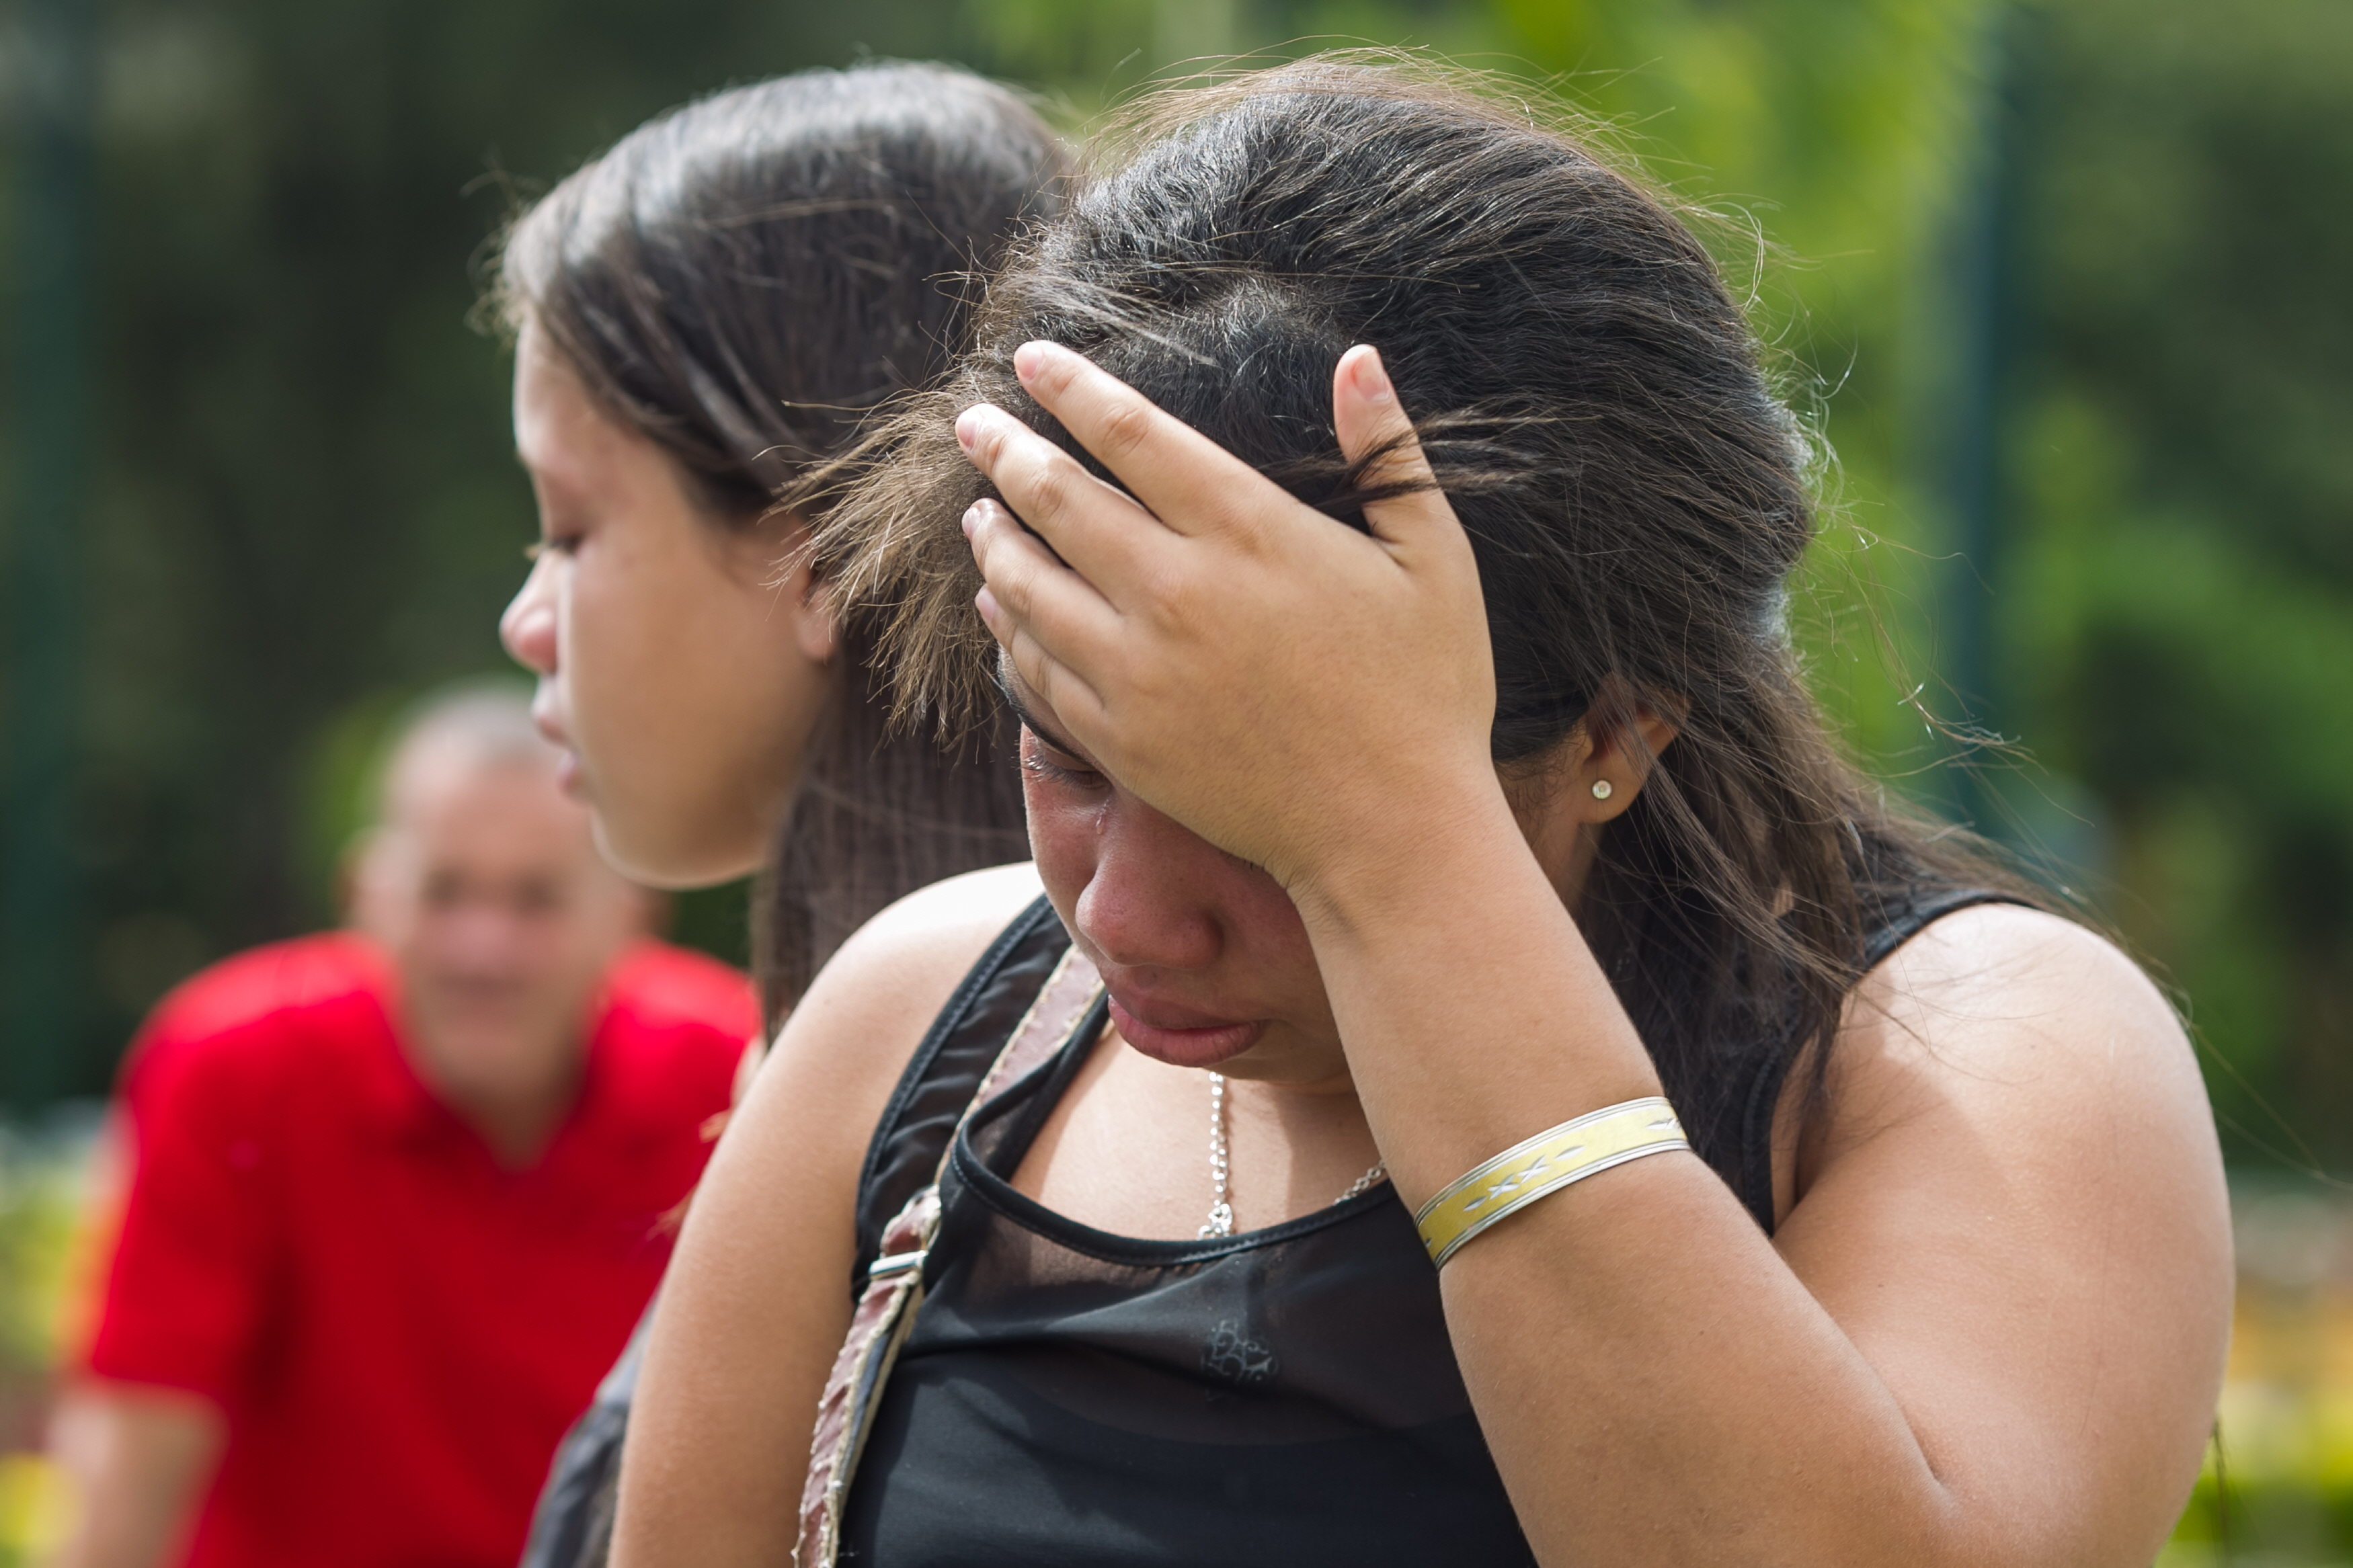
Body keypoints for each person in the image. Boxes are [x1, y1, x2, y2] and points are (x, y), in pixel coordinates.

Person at [621, 58, 2233, 1567]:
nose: (1119, 915)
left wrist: (1390, 842)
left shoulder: (1967, 1056)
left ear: (1621, 729)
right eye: (1071, 757)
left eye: (1255, 816)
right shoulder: (929, 1018)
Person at [489, 63, 1066, 1565]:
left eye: (570, 528)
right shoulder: (947, 1060)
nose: (524, 619)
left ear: (813, 560)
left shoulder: (1014, 1121)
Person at [49, 688, 760, 1568]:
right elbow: (133, 1456)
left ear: (632, 917)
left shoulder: (735, 1074)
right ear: (366, 894)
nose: (483, 948)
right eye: (444, 891)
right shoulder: (232, 1066)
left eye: (535, 900)